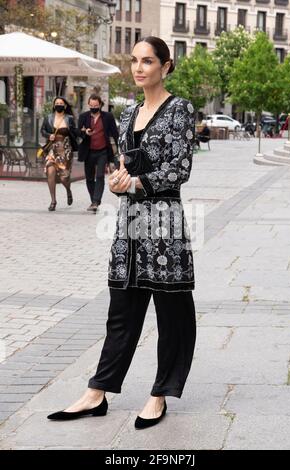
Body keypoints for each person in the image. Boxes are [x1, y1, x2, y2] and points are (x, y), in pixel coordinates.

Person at [47, 36, 196, 429]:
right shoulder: (128, 114)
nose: (139, 67)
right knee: (121, 312)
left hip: (165, 225)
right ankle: (98, 392)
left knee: (171, 313)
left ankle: (160, 393)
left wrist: (134, 184)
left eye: (148, 61)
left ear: (166, 66)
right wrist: (116, 178)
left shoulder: (179, 109)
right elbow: (123, 163)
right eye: (135, 60)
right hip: (129, 225)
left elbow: (179, 170)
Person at [77, 94, 119, 213]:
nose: (94, 107)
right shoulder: (83, 117)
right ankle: (94, 201)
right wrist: (85, 132)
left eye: (96, 105)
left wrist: (120, 149)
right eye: (91, 105)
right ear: (89, 105)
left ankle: (96, 201)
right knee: (89, 178)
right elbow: (78, 132)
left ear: (100, 105)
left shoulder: (108, 117)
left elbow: (115, 133)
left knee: (100, 176)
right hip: (88, 152)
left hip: (103, 151)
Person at [41, 97, 78, 211]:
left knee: (63, 178)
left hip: (65, 150)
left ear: (65, 106)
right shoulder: (48, 118)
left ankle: (68, 190)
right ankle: (53, 201)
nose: (58, 105)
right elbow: (43, 130)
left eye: (61, 103)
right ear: (54, 105)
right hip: (52, 149)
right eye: (56, 103)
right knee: (50, 171)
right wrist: (48, 136)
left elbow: (74, 132)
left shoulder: (69, 118)